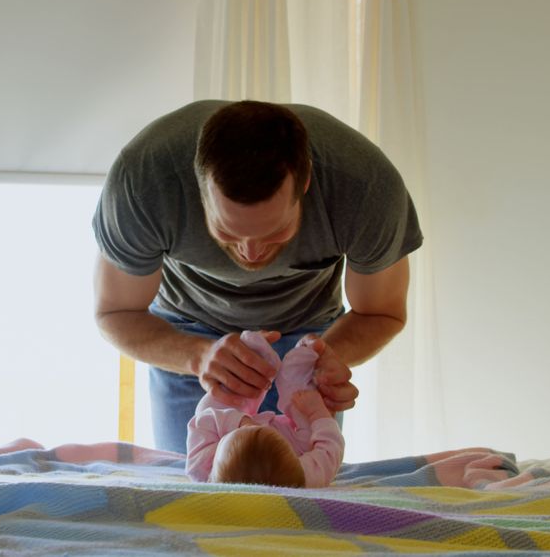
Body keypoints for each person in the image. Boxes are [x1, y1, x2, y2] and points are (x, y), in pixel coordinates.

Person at [92, 99, 422, 453]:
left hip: (308, 337)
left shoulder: (364, 188)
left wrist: (329, 357)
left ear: (306, 182)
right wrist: (199, 357)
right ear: (198, 187)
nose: (251, 255)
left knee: (302, 494)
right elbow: (117, 312)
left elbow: (380, 311)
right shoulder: (144, 182)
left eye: (275, 234)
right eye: (228, 234)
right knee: (194, 498)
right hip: (186, 331)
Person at [186, 331, 344, 488]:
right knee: (307, 417)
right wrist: (316, 412)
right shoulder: (305, 477)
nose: (257, 425)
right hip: (294, 445)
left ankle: (252, 366)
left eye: (249, 428)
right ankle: (298, 374)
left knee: (212, 405)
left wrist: (241, 422)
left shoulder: (201, 470)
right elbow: (330, 449)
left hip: (226, 432)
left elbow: (202, 423)